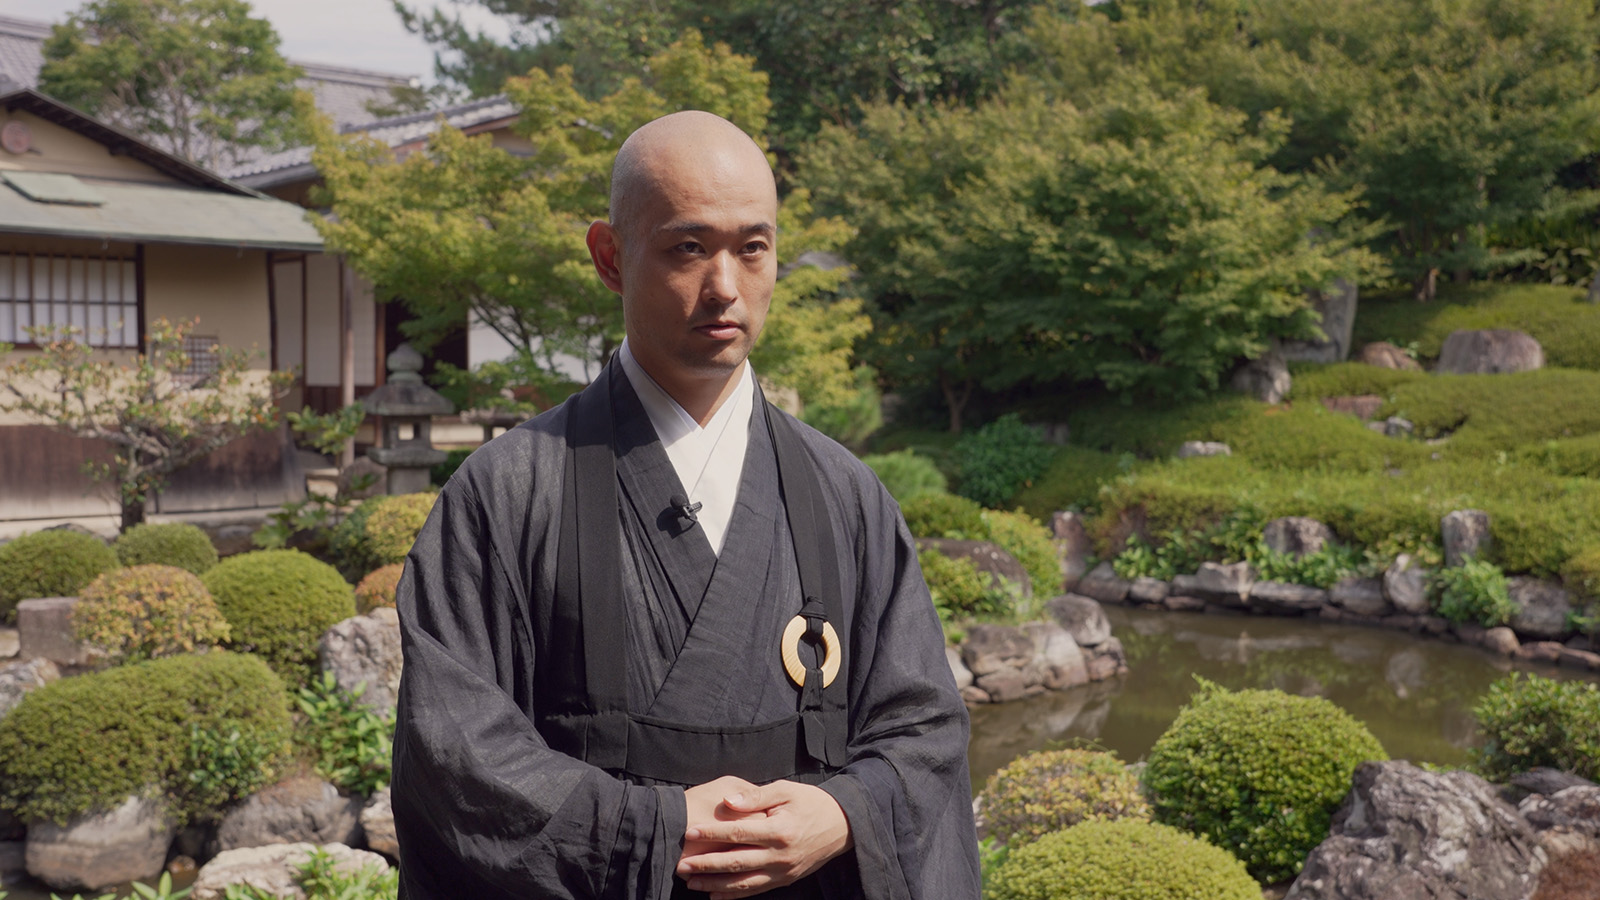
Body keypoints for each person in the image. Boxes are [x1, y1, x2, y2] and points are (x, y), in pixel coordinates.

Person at [390, 109, 981, 900]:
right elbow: (455, 755)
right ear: (610, 256)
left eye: (753, 248)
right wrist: (648, 832)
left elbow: (924, 731)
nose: (725, 287)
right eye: (688, 248)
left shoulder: (845, 494)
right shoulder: (506, 493)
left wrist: (843, 813)